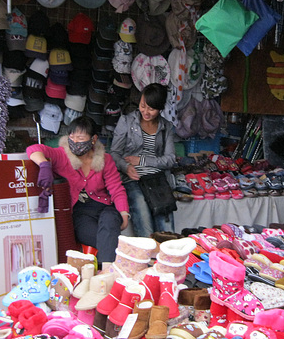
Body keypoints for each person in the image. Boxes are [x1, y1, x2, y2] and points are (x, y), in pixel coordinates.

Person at [27, 116, 128, 264]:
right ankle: (108, 271)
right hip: (80, 213)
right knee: (107, 239)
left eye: (80, 138)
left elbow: (116, 189)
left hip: (104, 207)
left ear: (93, 139)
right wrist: (44, 165)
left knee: (111, 220)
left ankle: (103, 272)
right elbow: (33, 149)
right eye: (71, 137)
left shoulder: (105, 159)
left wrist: (124, 215)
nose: (74, 141)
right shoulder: (62, 155)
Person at [111, 83, 176, 237]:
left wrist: (141, 161)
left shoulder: (166, 127)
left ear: (160, 108)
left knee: (166, 230)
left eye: (151, 109)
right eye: (143, 106)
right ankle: (148, 259)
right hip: (132, 178)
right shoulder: (126, 121)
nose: (146, 112)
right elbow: (114, 153)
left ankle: (168, 258)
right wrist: (126, 167)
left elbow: (170, 159)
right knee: (143, 216)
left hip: (157, 180)